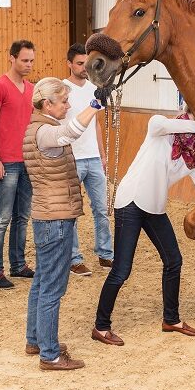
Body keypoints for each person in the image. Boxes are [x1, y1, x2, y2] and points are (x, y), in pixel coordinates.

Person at [92, 108, 195, 346]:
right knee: (121, 270)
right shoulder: (159, 127)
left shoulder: (194, 157)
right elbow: (165, 124)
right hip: (131, 202)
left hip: (154, 207)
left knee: (173, 260)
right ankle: (101, 326)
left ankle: (172, 319)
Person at [23, 77, 103, 370]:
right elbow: (71, 132)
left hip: (48, 215)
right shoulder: (45, 132)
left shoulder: (37, 129)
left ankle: (36, 340)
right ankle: (50, 354)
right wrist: (95, 106)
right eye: (64, 101)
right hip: (55, 217)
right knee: (52, 288)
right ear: (47, 104)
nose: (68, 106)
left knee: (43, 281)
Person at [0, 40, 36, 289]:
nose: (28, 65)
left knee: (21, 217)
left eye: (31, 60)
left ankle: (18, 264)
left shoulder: (32, 89)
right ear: (11, 58)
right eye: (24, 60)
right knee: (2, 218)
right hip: (7, 162)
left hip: (27, 161)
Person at [62, 43, 114, 277]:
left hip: (93, 157)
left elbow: (97, 124)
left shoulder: (94, 88)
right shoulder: (62, 89)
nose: (84, 68)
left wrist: (102, 154)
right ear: (70, 64)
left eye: (86, 63)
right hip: (72, 157)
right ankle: (74, 258)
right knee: (73, 211)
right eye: (80, 64)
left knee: (101, 209)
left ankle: (105, 253)